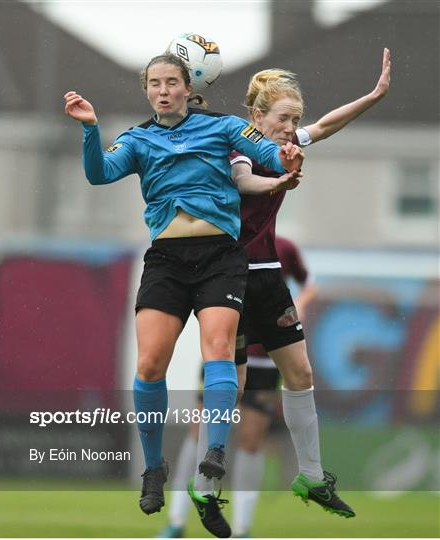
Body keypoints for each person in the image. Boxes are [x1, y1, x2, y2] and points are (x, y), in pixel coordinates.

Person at [63, 53, 303, 518]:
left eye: (171, 81)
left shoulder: (223, 126)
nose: (163, 90)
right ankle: (154, 468)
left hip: (220, 257)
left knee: (218, 349)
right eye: (155, 83)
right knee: (151, 364)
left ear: (186, 86)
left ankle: (214, 455)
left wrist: (287, 155)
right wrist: (90, 127)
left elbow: (267, 153)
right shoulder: (138, 139)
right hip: (168, 261)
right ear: (147, 90)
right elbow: (98, 174)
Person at [185, 48, 391, 535]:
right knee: (229, 388)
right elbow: (242, 179)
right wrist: (283, 178)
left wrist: (374, 96)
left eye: (294, 117)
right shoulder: (238, 146)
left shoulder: (284, 145)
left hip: (268, 275)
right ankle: (204, 487)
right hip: (226, 276)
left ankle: (312, 477)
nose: (292, 126)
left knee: (300, 372)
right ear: (257, 116)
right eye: (283, 117)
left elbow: (325, 127)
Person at [159, 236, 316, 538]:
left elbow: (309, 283)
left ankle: (242, 528)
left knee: (251, 439)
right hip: (223, 356)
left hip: (266, 361)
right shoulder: (221, 238)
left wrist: (300, 305)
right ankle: (176, 522)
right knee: (199, 432)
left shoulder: (282, 248)